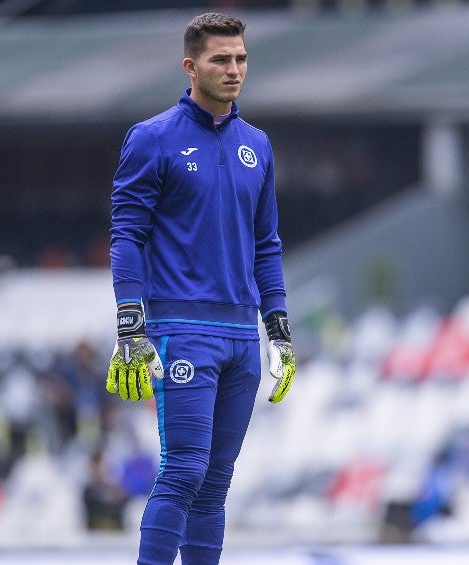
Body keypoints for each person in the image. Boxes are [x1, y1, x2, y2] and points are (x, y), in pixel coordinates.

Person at [106, 12, 297, 564]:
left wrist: (278, 330)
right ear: (191, 66)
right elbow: (126, 235)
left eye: (240, 58)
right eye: (221, 59)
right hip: (181, 331)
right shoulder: (152, 138)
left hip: (242, 336)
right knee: (185, 469)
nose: (234, 69)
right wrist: (130, 319)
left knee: (215, 484)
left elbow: (267, 244)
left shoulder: (257, 145)